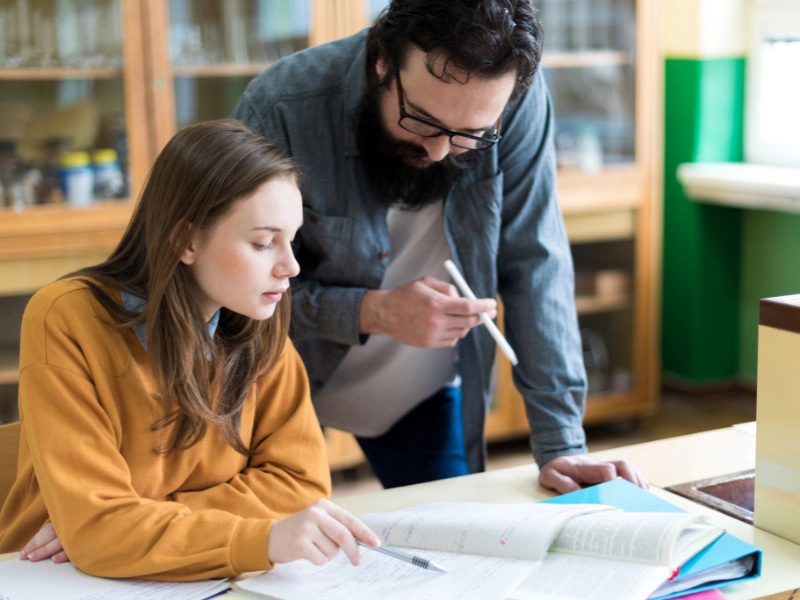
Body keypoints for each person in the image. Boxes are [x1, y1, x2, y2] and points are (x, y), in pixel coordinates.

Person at [231, 0, 648, 493]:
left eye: (471, 135)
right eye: (422, 121)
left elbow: (535, 263)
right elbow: (234, 293)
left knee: (456, 543)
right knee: (281, 545)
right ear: (382, 59)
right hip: (284, 378)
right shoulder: (282, 106)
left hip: (417, 389)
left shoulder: (515, 101)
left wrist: (561, 445)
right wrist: (373, 312)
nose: (439, 152)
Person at [0, 120, 379, 578]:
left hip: (162, 571)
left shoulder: (259, 320)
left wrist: (133, 522)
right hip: (49, 576)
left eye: (292, 239)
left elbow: (301, 485)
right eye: (263, 242)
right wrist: (258, 536)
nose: (291, 266)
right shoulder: (67, 316)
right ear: (186, 240)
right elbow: (99, 531)